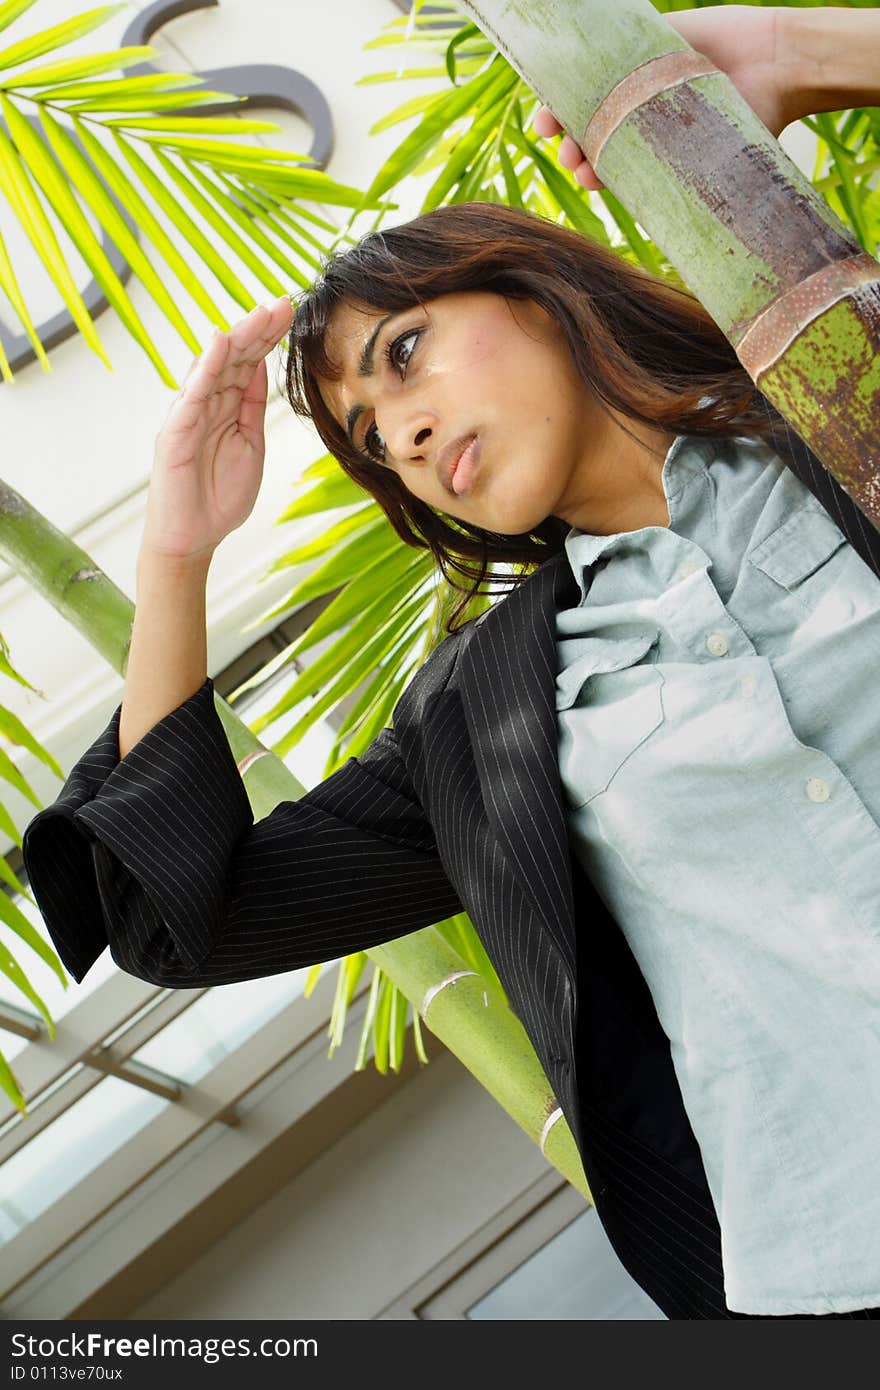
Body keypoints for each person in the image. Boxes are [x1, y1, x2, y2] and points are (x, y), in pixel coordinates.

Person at [20, 4, 880, 1320]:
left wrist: (805, 53)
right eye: (371, 436)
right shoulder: (481, 725)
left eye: (405, 353)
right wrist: (177, 549)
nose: (403, 434)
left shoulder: (842, 385)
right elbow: (171, 920)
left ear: (536, 289)